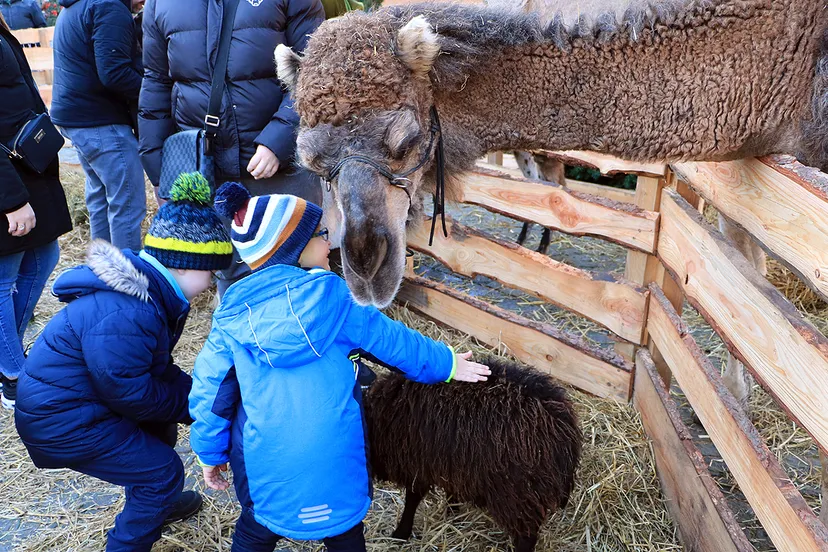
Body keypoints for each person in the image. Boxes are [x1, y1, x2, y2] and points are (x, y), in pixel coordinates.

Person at [190, 183, 491, 552]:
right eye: (320, 234)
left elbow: (209, 392)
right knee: (345, 534)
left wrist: (209, 453)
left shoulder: (231, 318)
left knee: (255, 532)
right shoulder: (339, 300)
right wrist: (447, 363)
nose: (329, 239)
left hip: (267, 469)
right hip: (337, 464)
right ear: (294, 249)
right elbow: (396, 343)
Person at [14, 173, 232, 552]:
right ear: (183, 265)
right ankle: (130, 538)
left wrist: (204, 399)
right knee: (163, 471)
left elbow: (153, 372)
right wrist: (194, 407)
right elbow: (130, 392)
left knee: (159, 429)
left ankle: (154, 501)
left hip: (83, 403)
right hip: (63, 421)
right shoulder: (129, 312)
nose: (212, 283)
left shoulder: (151, 296)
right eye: (210, 273)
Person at [139, 0, 326, 296]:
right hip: (208, 166)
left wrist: (279, 138)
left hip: (279, 168)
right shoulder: (160, 4)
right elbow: (156, 81)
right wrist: (159, 170)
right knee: (233, 274)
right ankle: (244, 338)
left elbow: (314, 68)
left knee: (298, 266)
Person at [0, 12, 71, 409]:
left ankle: (8, 354)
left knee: (45, 254)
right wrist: (10, 200)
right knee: (4, 277)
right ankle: (13, 376)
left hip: (27, 164)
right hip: (8, 175)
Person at [51, 0, 146, 251]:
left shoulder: (78, 6)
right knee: (127, 205)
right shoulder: (108, 6)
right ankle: (125, 281)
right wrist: (155, 91)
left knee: (102, 199)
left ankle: (104, 273)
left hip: (79, 119)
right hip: (101, 121)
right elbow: (115, 73)